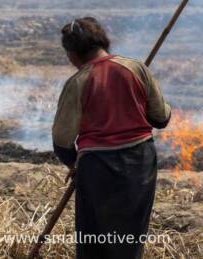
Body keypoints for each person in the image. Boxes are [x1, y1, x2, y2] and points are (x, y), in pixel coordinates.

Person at [52, 17, 171, 259]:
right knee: (130, 237)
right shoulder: (136, 69)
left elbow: (62, 141)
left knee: (94, 239)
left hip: (97, 167)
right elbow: (161, 118)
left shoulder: (78, 82)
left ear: (73, 54)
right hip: (140, 163)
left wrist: (74, 164)